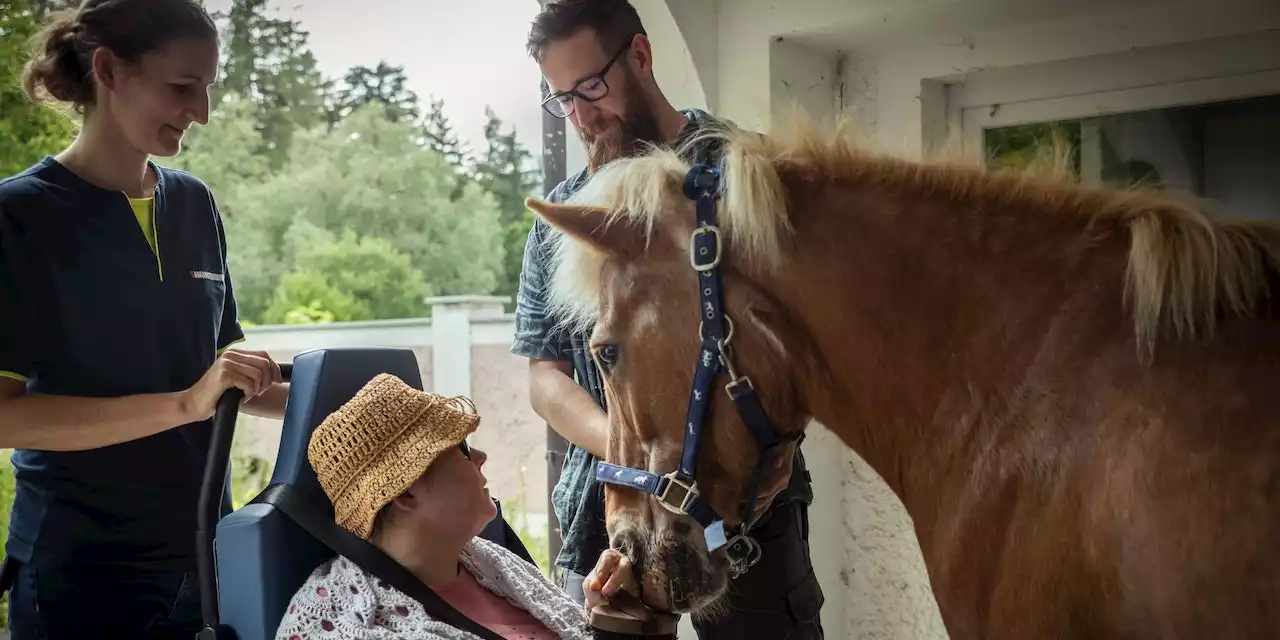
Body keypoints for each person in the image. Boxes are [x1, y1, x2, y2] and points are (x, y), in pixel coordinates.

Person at [512, 0, 825, 638]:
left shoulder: (746, 172)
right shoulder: (564, 214)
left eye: (591, 87)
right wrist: (639, 461)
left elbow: (803, 338)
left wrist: (778, 448)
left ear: (641, 55)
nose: (581, 114)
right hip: (604, 515)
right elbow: (545, 378)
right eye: (562, 99)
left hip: (741, 511)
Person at [0, 1, 289, 637]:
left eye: (208, 89)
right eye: (182, 87)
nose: (202, 112)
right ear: (108, 70)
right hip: (81, 570)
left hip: (209, 557)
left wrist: (357, 404)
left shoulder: (194, 204)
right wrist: (185, 404)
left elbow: (225, 384)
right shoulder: (21, 217)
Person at [275, 373, 639, 640]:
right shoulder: (337, 622)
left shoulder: (490, 562)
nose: (480, 456)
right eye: (462, 449)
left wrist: (603, 613)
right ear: (405, 493)